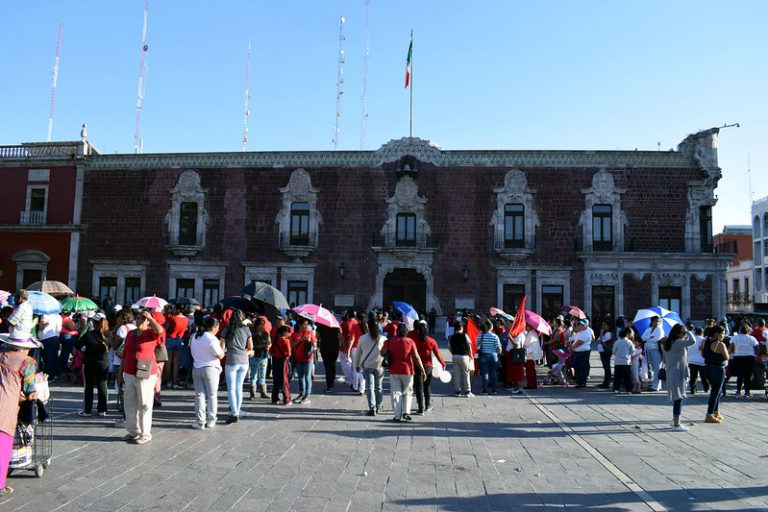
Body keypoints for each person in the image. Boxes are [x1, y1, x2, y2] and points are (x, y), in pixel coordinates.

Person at [0, 334, 40, 496]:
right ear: (26, 347)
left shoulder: (2, 356)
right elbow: (29, 388)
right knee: (3, 445)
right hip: (6, 404)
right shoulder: (27, 362)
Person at [121, 308, 163, 445]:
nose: (139, 321)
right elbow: (125, 353)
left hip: (145, 373)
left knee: (144, 403)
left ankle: (145, 434)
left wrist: (151, 318)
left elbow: (160, 331)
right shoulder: (131, 334)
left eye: (142, 318)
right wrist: (119, 373)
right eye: (138, 318)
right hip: (129, 372)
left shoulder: (151, 333)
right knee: (129, 404)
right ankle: (133, 431)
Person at [381, 323, 425, 422]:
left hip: (394, 370)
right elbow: (416, 357)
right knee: (408, 392)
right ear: (406, 332)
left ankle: (397, 415)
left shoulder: (390, 341)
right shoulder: (410, 341)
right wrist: (422, 369)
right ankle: (406, 412)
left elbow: (382, 353)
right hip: (408, 370)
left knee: (396, 393)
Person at [190, 316, 224, 429]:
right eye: (217, 327)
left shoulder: (194, 336)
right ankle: (211, 420)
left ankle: (200, 421)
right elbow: (220, 355)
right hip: (211, 369)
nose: (218, 329)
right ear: (213, 327)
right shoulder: (212, 339)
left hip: (197, 367)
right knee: (212, 395)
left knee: (199, 395)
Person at [74, 312, 111, 417]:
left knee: (89, 386)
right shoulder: (109, 334)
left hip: (89, 362)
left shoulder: (89, 334)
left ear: (94, 323)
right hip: (103, 362)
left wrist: (84, 348)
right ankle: (102, 410)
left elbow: (77, 345)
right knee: (102, 385)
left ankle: (87, 410)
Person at [661, 324, 696, 431]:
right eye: (683, 333)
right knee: (679, 398)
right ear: (680, 333)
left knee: (680, 397)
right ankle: (676, 424)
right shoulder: (677, 343)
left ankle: (674, 420)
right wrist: (688, 331)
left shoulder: (667, 343)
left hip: (672, 371)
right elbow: (693, 341)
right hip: (678, 372)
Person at [221, 309, 253, 423]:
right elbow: (251, 347)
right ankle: (237, 410)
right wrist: (246, 353)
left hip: (231, 360)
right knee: (239, 388)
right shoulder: (246, 329)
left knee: (231, 388)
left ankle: (234, 413)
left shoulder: (226, 329)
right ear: (242, 318)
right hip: (244, 361)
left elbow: (222, 346)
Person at [412, 322, 446, 414]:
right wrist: (443, 363)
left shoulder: (413, 340)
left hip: (417, 366)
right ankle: (428, 405)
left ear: (418, 331)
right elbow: (437, 354)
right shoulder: (431, 341)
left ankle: (420, 408)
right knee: (427, 386)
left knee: (419, 387)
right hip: (428, 367)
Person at [355, 316, 385, 416]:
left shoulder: (362, 338)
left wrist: (357, 365)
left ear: (368, 327)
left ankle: (372, 408)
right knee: (379, 387)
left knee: (369, 387)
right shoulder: (383, 339)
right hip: (379, 366)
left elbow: (358, 353)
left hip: (367, 366)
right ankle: (379, 405)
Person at [111, 309, 135, 428]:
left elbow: (115, 346)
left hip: (119, 361)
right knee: (131, 389)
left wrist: (111, 338)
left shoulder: (122, 328)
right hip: (131, 361)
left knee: (122, 389)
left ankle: (126, 417)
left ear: (121, 318)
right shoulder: (135, 327)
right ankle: (131, 416)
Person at [702, 326, 729, 424]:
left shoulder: (707, 342)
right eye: (723, 333)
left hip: (708, 368)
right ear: (717, 333)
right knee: (716, 392)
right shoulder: (720, 344)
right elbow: (727, 357)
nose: (724, 335)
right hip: (718, 369)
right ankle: (709, 414)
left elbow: (703, 353)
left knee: (716, 390)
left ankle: (715, 412)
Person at [290, 318, 317, 405]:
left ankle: (307, 395)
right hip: (298, 358)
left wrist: (309, 341)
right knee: (300, 377)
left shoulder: (310, 333)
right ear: (299, 325)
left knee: (307, 377)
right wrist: (301, 339)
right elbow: (292, 345)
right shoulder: (294, 334)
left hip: (308, 358)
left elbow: (315, 345)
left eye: (307, 324)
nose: (306, 326)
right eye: (304, 324)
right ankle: (301, 393)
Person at [729, 324, 758, 398]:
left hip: (738, 357)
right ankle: (747, 392)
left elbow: (731, 347)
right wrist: (756, 355)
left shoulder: (735, 337)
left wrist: (732, 353)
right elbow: (756, 346)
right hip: (749, 357)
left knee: (739, 375)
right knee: (748, 376)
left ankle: (738, 391)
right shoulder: (751, 338)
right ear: (748, 331)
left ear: (740, 330)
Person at [163, 305, 188, 389]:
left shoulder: (172, 319)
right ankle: (175, 382)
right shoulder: (186, 319)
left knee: (168, 362)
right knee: (176, 363)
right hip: (179, 340)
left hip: (170, 339)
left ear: (177, 309)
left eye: (174, 308)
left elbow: (164, 329)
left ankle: (167, 381)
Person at [448, 318, 474, 397]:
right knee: (466, 374)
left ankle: (457, 391)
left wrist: (453, 353)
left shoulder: (451, 337)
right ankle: (467, 391)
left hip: (455, 356)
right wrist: (471, 355)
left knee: (457, 374)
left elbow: (449, 347)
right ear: (461, 328)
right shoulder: (465, 336)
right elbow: (469, 345)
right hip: (464, 356)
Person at [476, 320, 502, 394]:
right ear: (491, 327)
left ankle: (485, 390)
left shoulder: (480, 335)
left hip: (484, 355)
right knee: (493, 372)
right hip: (493, 355)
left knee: (485, 373)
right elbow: (498, 348)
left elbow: (477, 345)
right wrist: (498, 353)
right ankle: (494, 390)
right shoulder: (495, 336)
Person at [249, 317, 271, 399]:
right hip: (255, 356)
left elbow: (270, 342)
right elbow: (251, 346)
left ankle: (263, 392)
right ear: (256, 325)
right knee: (253, 375)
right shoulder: (252, 334)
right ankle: (252, 393)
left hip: (264, 356)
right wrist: (261, 346)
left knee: (262, 375)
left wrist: (268, 346)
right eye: (260, 325)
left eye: (263, 324)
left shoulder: (266, 333)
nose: (262, 326)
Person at [642, 316, 665, 391]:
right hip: (648, 349)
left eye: (658, 321)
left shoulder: (660, 329)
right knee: (653, 368)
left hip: (656, 350)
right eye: (655, 321)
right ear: (652, 321)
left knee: (657, 367)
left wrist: (648, 338)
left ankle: (656, 386)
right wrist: (650, 338)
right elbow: (643, 338)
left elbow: (656, 339)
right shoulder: (648, 329)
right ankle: (657, 384)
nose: (657, 322)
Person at [270, 325, 292, 405]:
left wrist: (276, 354)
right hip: (283, 361)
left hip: (275, 361)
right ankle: (286, 399)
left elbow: (270, 351)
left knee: (276, 380)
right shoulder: (286, 341)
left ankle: (274, 398)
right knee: (284, 380)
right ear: (285, 333)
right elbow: (289, 354)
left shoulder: (276, 341)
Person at [36, 312, 62, 380]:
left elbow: (41, 327)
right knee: (53, 356)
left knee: (47, 357)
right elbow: (58, 329)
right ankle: (56, 373)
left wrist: (38, 324)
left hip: (46, 338)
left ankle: (49, 374)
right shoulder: (58, 316)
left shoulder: (45, 315)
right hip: (54, 337)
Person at [569, 319, 593, 388]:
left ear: (586, 325)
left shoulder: (587, 332)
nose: (580, 326)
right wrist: (572, 330)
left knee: (582, 367)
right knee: (577, 367)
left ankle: (582, 383)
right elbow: (572, 338)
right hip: (577, 352)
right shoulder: (580, 332)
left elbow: (579, 342)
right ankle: (579, 382)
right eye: (579, 324)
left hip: (584, 352)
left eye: (582, 325)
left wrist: (571, 347)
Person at [687, 327, 710, 395]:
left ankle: (692, 389)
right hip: (702, 361)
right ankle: (706, 388)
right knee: (704, 376)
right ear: (702, 332)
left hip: (691, 360)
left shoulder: (690, 340)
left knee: (693, 376)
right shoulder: (704, 340)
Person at [612, 327, 634, 393]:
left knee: (617, 376)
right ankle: (629, 390)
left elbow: (613, 351)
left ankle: (616, 389)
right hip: (626, 361)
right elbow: (633, 351)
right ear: (626, 335)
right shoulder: (629, 342)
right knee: (627, 377)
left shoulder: (617, 342)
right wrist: (629, 355)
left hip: (618, 362)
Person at [597, 321, 614, 388]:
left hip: (606, 352)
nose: (603, 326)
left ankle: (608, 382)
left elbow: (601, 340)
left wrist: (601, 334)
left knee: (607, 367)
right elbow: (598, 340)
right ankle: (606, 381)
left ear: (608, 326)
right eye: (602, 325)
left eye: (604, 325)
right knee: (605, 367)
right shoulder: (605, 333)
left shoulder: (609, 334)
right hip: (603, 352)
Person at [523, 325, 541, 390]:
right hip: (531, 354)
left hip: (530, 355)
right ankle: (532, 384)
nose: (526, 327)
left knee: (530, 371)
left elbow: (526, 344)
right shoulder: (532, 332)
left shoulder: (531, 333)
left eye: (527, 326)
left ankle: (531, 384)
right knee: (531, 370)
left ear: (530, 326)